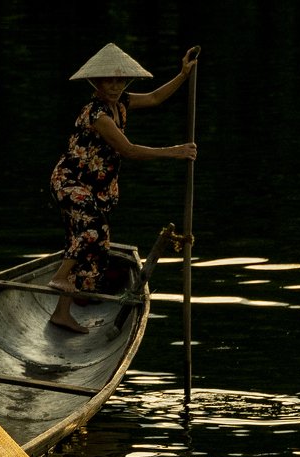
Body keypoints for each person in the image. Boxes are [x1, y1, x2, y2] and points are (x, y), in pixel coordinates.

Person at [49, 42, 198, 332]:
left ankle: (62, 312)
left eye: (119, 80)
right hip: (70, 183)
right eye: (109, 80)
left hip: (93, 187)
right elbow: (128, 150)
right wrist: (174, 151)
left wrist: (183, 74)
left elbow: (155, 98)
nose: (115, 86)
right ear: (97, 82)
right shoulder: (97, 115)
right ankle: (59, 278)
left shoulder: (121, 104)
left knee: (94, 243)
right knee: (90, 231)